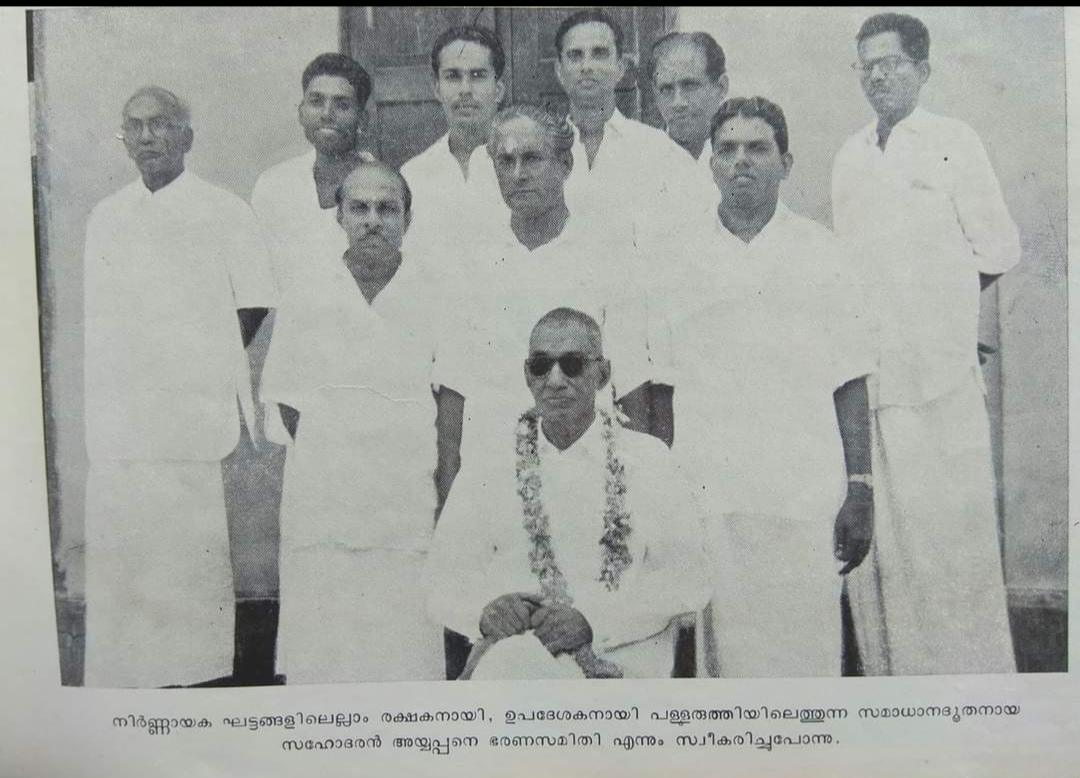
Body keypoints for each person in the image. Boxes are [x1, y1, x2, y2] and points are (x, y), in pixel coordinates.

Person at [656, 97, 876, 677]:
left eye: (757, 148)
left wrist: (860, 485)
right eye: (727, 149)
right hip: (713, 497)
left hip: (803, 498)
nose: (741, 161)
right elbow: (661, 390)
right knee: (723, 667)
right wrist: (666, 494)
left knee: (807, 660)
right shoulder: (678, 257)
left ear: (786, 163)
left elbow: (850, 378)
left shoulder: (823, 253)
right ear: (711, 164)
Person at [831, 13, 1020, 675]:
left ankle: (971, 695)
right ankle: (895, 690)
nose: (878, 77)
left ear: (923, 69)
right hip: (871, 386)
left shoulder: (953, 142)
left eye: (891, 64)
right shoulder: (851, 154)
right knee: (883, 556)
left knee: (949, 553)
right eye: (867, 66)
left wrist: (942, 318)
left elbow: (997, 250)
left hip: (938, 386)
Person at [82, 86, 277, 687]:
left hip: (190, 416)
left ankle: (195, 675)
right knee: (127, 547)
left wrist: (197, 364)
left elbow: (253, 302)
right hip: (126, 417)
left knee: (189, 555)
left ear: (186, 137)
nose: (147, 136)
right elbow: (102, 321)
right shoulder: (107, 216)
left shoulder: (224, 210)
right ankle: (126, 674)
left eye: (160, 124)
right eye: (135, 126)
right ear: (124, 139)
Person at [424, 308, 709, 680]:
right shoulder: (489, 465)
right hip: (513, 664)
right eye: (541, 366)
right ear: (527, 375)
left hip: (621, 666)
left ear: (602, 374)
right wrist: (483, 611)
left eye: (572, 365)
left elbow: (690, 576)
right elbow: (441, 579)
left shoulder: (649, 459)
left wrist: (594, 622)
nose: (555, 380)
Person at [261, 161, 445, 683]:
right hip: (324, 509)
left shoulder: (436, 293)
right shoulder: (307, 293)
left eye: (387, 208)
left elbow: (450, 401)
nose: (372, 220)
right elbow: (285, 401)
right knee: (323, 659)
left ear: (408, 219)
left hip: (404, 508)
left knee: (404, 658)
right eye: (359, 208)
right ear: (339, 217)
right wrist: (341, 458)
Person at [431, 103, 655, 474]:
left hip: (585, 466)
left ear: (565, 165)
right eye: (506, 161)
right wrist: (453, 492)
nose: (518, 174)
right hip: (493, 469)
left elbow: (632, 386)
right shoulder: (470, 264)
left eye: (532, 159)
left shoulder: (610, 258)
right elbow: (453, 391)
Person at [553, 9, 696, 244]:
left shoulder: (659, 150)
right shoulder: (542, 148)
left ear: (620, 67)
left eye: (599, 54)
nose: (586, 66)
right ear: (559, 70)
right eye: (575, 55)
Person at [251, 53, 375, 297]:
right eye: (316, 101)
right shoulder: (273, 185)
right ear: (301, 112)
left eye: (342, 104)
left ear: (362, 119)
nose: (327, 113)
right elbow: (260, 278)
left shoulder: (385, 187)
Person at [400, 24, 509, 253]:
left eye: (478, 76)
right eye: (453, 76)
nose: (465, 89)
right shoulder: (414, 174)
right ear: (437, 89)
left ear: (498, 89)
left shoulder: (525, 165)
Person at [651, 31, 728, 189]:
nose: (678, 103)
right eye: (666, 89)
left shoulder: (745, 158)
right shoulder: (641, 161)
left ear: (721, 88)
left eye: (690, 86)